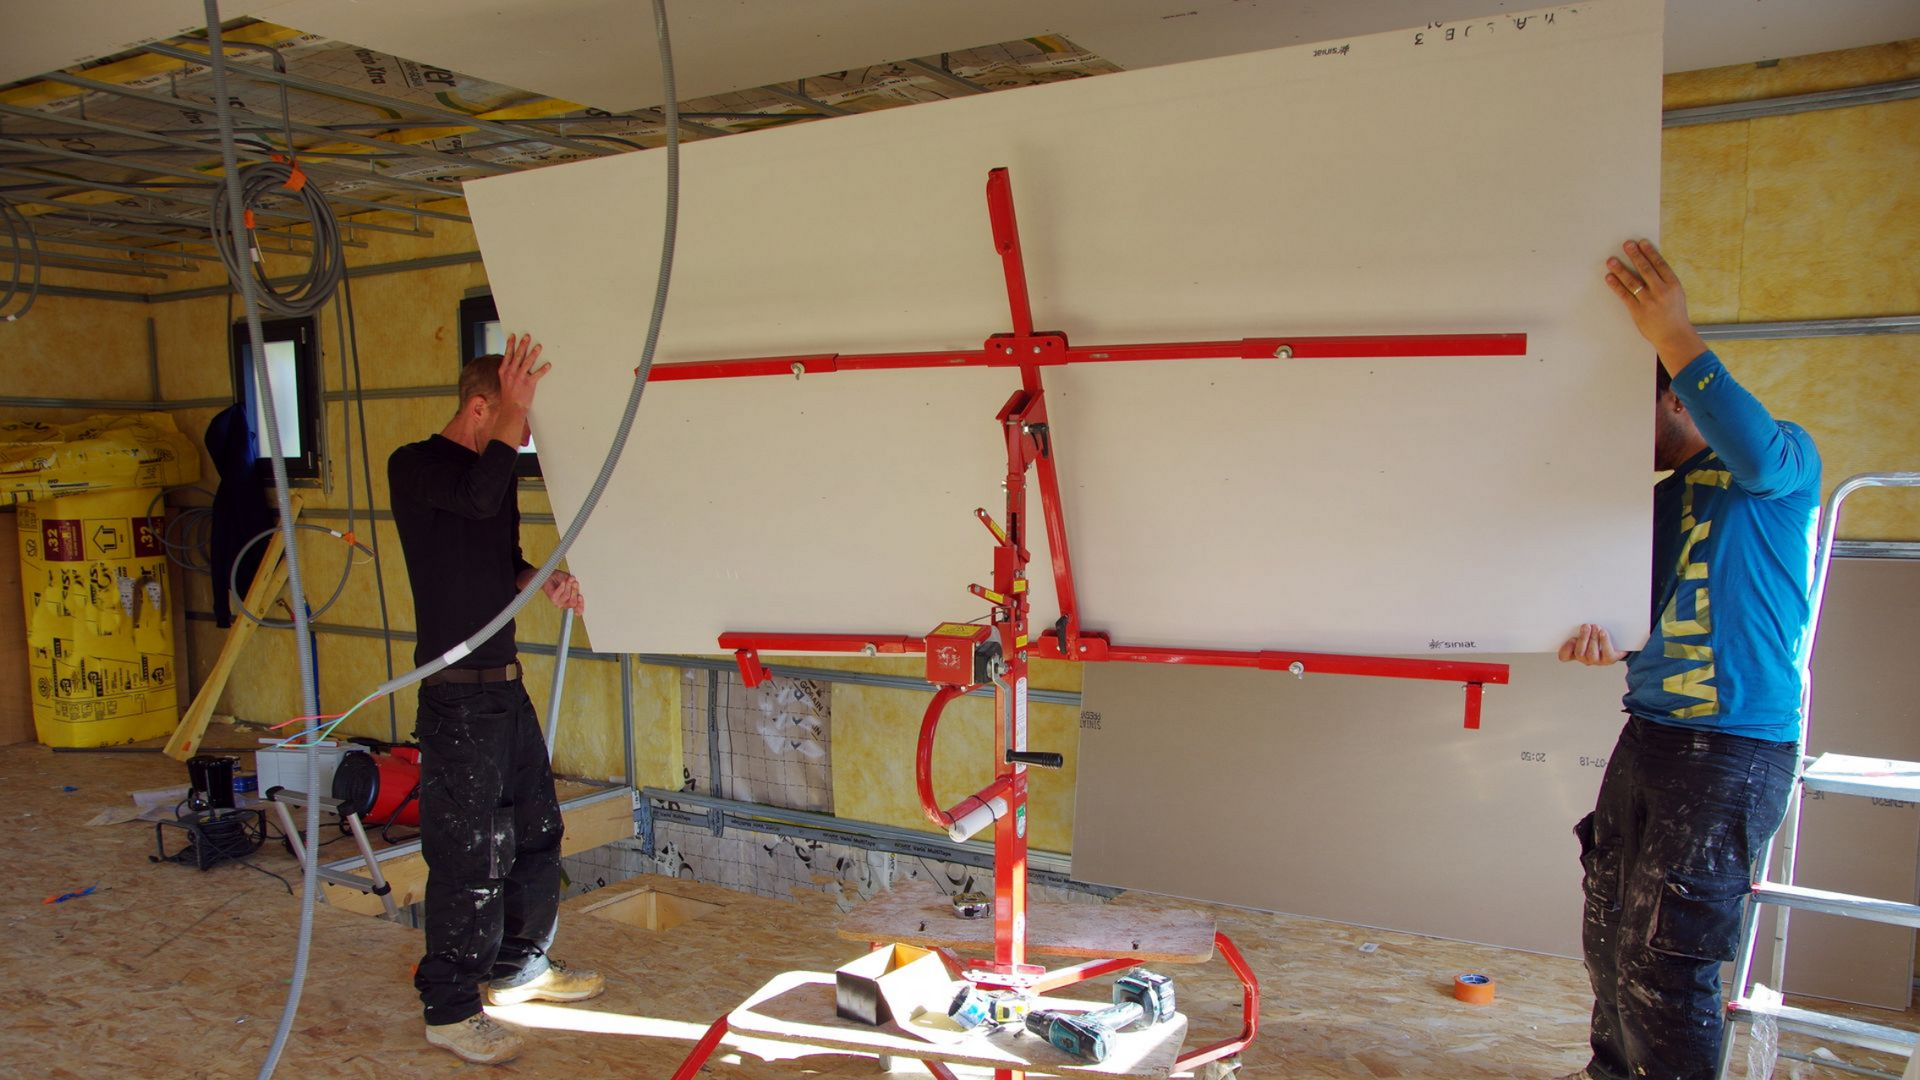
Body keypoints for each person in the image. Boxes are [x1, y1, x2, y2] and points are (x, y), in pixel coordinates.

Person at [1557, 240, 1821, 1080]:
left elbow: (1753, 450)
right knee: (1610, 940)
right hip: (1651, 737)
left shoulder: (1781, 468)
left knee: (1667, 963)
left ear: (1675, 396)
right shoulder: (1649, 507)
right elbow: (1637, 625)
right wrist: (1596, 640)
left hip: (1734, 750)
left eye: (1627, 413)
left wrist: (1673, 334)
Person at [389, 333, 599, 1065]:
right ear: (480, 409)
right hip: (456, 703)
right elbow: (476, 498)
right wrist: (514, 418)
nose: (525, 438)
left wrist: (543, 580)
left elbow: (498, 557)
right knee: (469, 855)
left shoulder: (492, 473)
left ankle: (518, 968)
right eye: (517, 421)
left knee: (538, 830)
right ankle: (450, 1009)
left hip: (504, 691)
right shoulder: (416, 467)